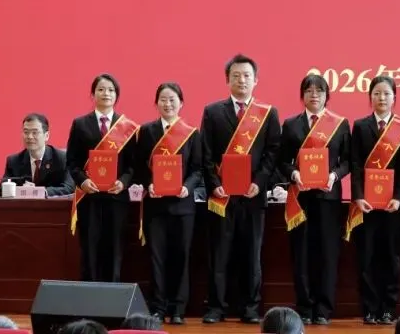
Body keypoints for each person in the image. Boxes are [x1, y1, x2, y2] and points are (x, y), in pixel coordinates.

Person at [202, 54, 282, 324]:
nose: (242, 80)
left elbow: (273, 153)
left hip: (253, 198)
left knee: (252, 255)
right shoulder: (213, 112)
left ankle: (250, 308)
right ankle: (216, 307)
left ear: (256, 80)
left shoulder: (267, 114)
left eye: (247, 75)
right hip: (222, 198)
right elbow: (206, 153)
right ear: (228, 80)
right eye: (236, 76)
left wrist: (259, 182)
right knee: (219, 254)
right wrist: (214, 185)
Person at [279, 74, 351, 325]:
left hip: (328, 198)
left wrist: (334, 175)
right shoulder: (291, 125)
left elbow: (348, 161)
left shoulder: (340, 124)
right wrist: (294, 174)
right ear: (302, 95)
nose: (314, 95)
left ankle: (323, 309)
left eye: (319, 91)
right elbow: (282, 161)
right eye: (309, 91)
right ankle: (304, 307)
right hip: (300, 198)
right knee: (302, 253)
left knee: (327, 253)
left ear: (326, 95)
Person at [347, 74, 400, 325]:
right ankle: (370, 308)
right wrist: (358, 196)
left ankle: (388, 308)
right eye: (377, 93)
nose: (381, 98)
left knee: (391, 257)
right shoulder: (360, 126)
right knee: (368, 257)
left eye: (386, 93)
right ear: (370, 97)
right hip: (367, 205)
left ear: (394, 97)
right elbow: (355, 164)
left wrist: (398, 197)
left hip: (393, 207)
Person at [136, 82, 202, 324]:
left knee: (181, 257)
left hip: (183, 207)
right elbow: (139, 166)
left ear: (181, 103)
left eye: (172, 99)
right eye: (163, 99)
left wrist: (188, 187)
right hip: (156, 207)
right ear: (156, 103)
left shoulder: (192, 133)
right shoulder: (146, 131)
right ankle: (158, 307)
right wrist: (148, 184)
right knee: (157, 257)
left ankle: (178, 309)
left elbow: (198, 169)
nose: (168, 104)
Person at [66, 73, 139, 283]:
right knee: (90, 249)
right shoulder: (80, 124)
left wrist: (123, 182)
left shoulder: (128, 127)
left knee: (115, 248)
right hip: (90, 198)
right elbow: (72, 161)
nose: (106, 93)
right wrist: (82, 181)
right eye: (101, 89)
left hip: (117, 198)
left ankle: (112, 294)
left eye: (110, 90)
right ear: (93, 94)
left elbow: (133, 165)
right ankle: (90, 294)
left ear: (116, 95)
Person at [0, 113, 74, 197]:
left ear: (46, 136)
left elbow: (69, 188)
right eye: (26, 132)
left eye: (35, 132)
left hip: (51, 205)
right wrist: (21, 190)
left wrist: (39, 191)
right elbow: (0, 190)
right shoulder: (14, 161)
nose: (29, 137)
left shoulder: (62, 159)